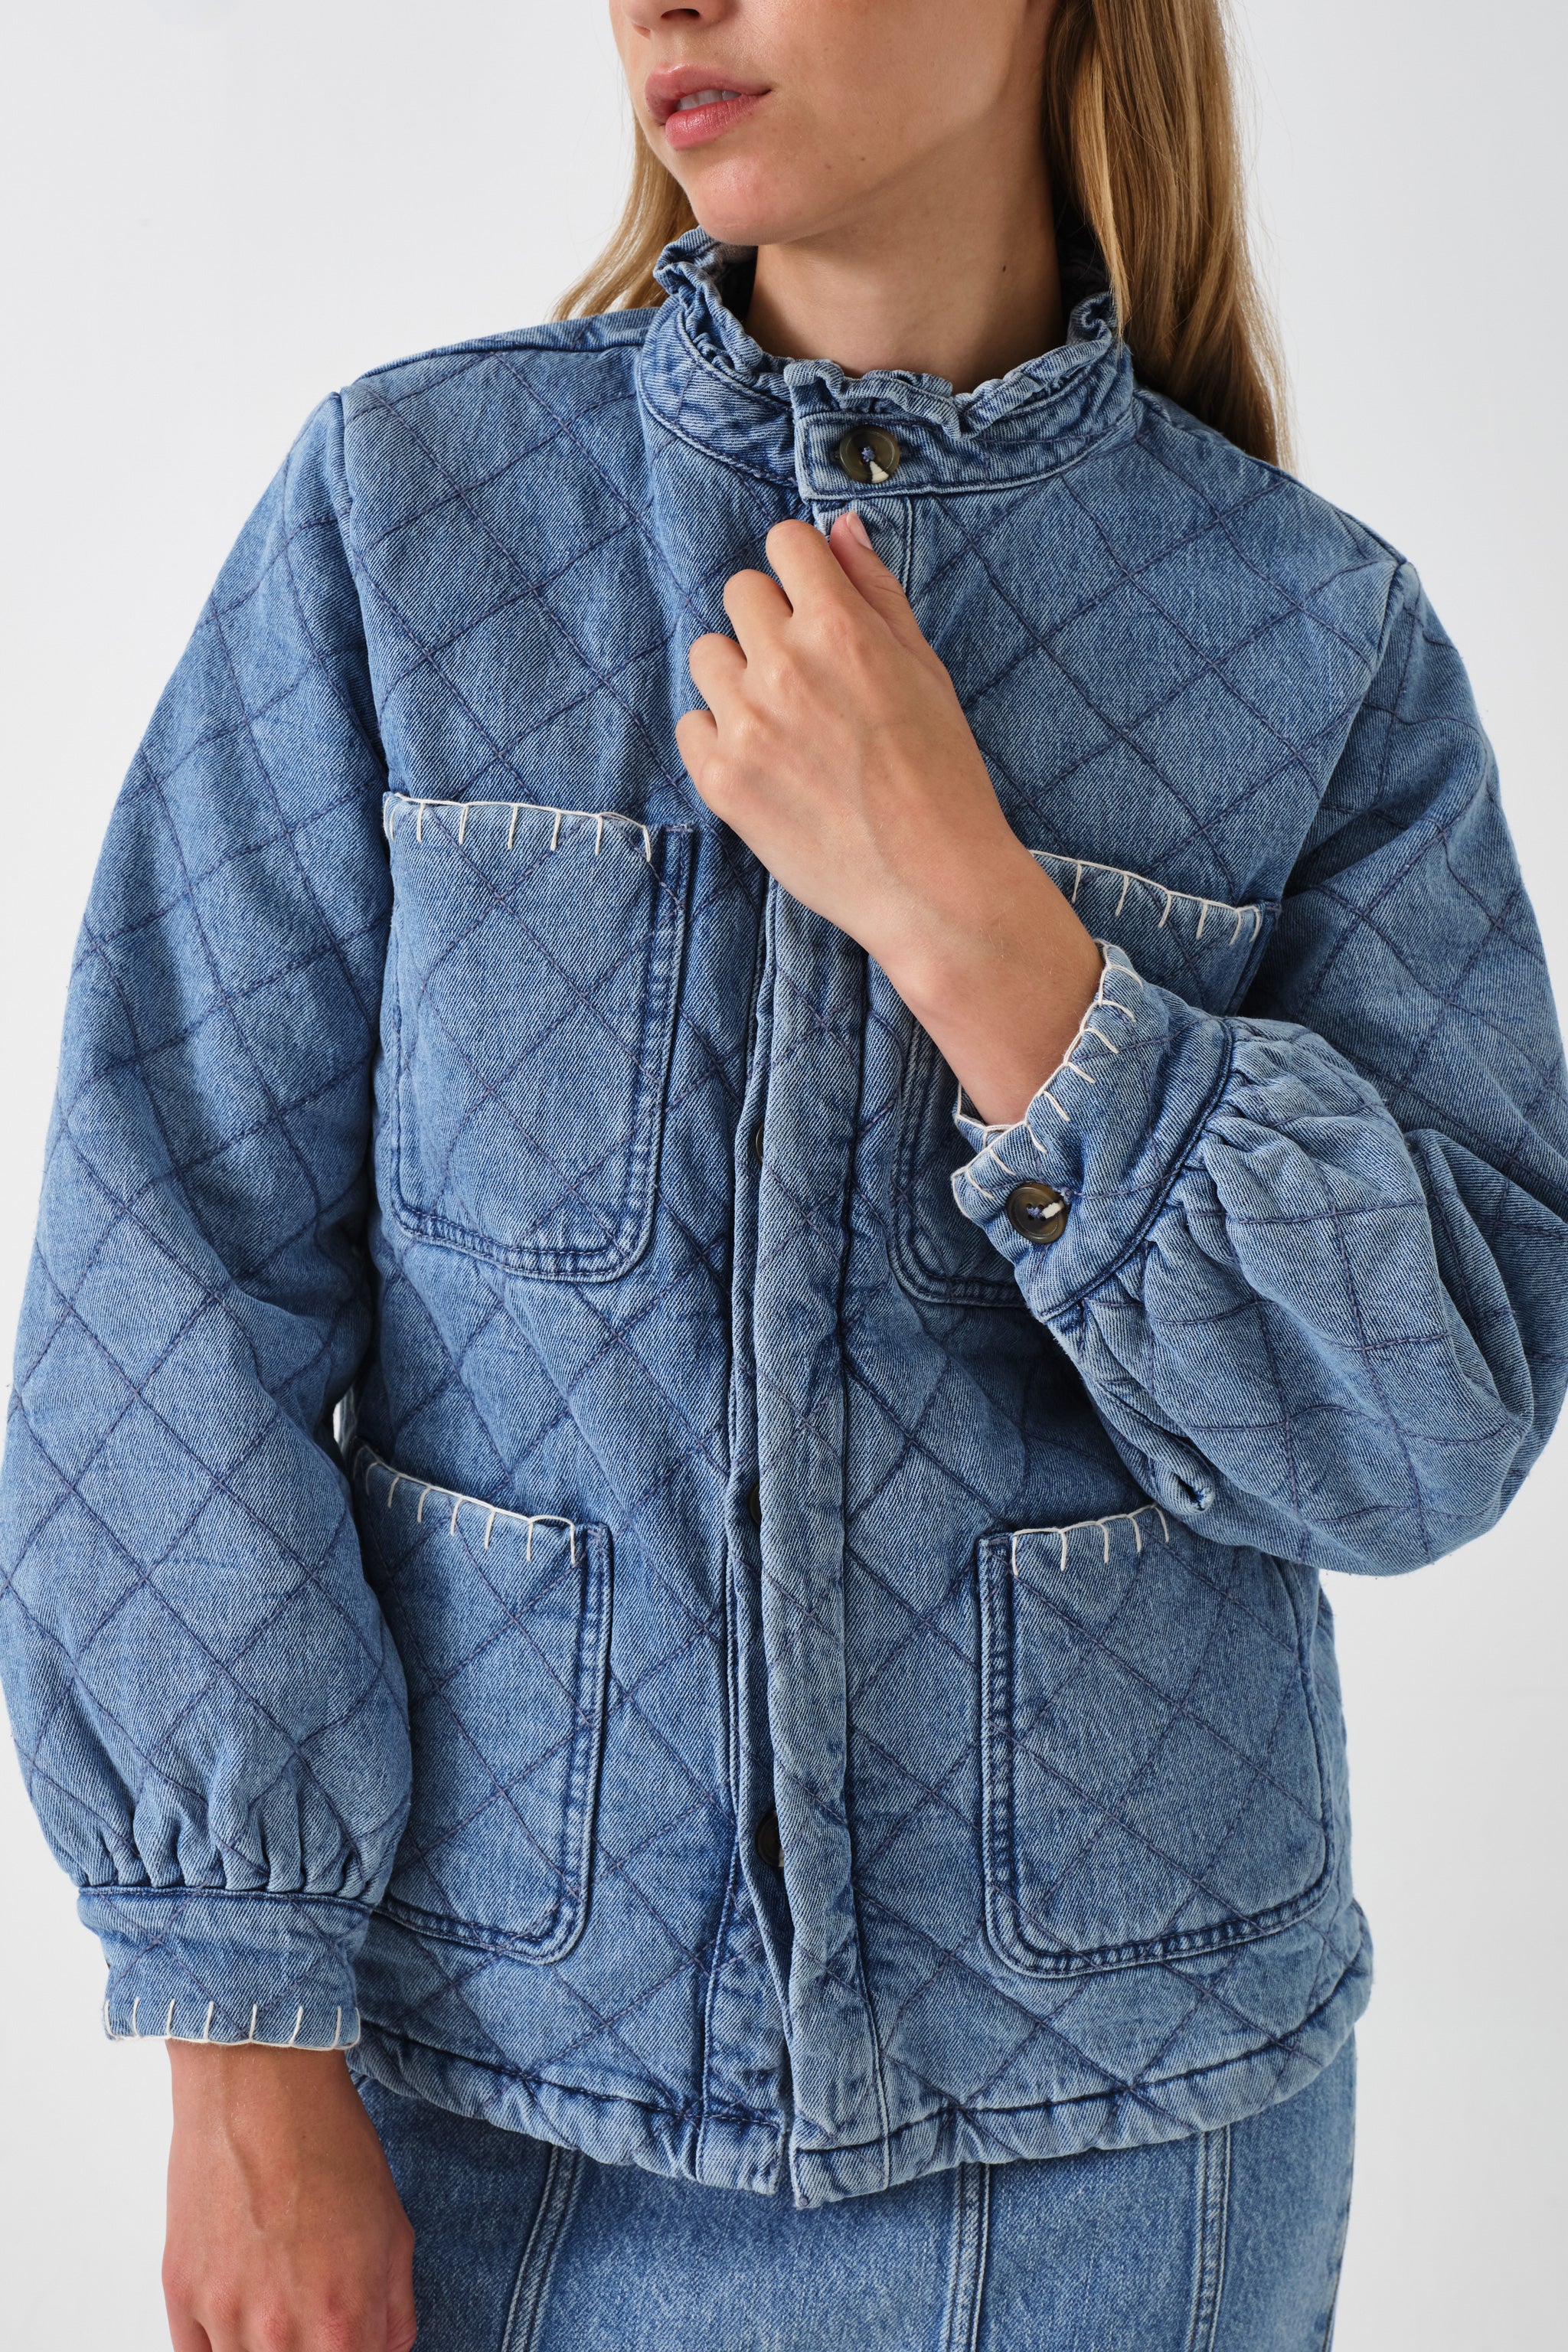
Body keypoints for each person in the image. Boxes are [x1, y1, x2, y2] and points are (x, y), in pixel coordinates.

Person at [2, 0, 1565, 2344]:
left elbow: (1425, 1426)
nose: (664, 2)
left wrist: (989, 935)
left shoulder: (1308, 637)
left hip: (1127, 2172)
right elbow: (170, 1272)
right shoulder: (410, 524)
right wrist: (241, 2056)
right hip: (490, 2140)